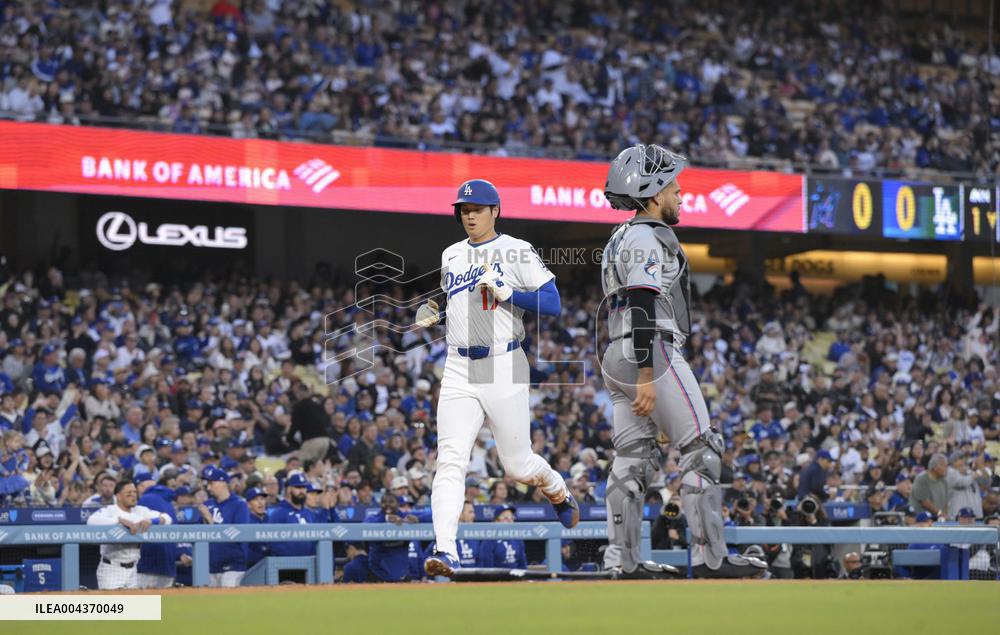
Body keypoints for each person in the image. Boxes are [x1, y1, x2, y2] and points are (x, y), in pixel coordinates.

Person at [599, 144, 764, 580]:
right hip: (648, 352)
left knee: (631, 461)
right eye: (673, 187)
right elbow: (642, 302)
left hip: (616, 354)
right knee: (702, 451)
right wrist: (650, 373)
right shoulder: (645, 235)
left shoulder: (620, 235)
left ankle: (623, 562)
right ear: (653, 194)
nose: (680, 194)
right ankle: (711, 558)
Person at [420, 179, 578, 579]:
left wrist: (511, 294)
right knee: (450, 460)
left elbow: (553, 303)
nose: (469, 215)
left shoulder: (517, 249)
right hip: (458, 366)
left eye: (477, 209)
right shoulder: (452, 254)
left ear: (495, 211)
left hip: (503, 363)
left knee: (518, 467)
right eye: (463, 209)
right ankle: (445, 548)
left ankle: (555, 486)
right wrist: (432, 309)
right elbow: (449, 298)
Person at [86, 480, 173, 589]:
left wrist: (152, 521)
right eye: (128, 494)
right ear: (118, 496)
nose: (133, 496)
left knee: (132, 605)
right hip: (112, 568)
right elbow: (91, 521)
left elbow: (167, 518)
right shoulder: (110, 511)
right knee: (113, 605)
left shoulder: (141, 511)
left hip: (133, 569)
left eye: (134, 492)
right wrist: (119, 520)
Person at [198, 465, 250, 587]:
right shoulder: (207, 505)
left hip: (233, 566)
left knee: (230, 604)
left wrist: (211, 522)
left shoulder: (239, 505)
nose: (208, 487)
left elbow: (239, 534)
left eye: (212, 483)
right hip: (210, 566)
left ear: (223, 483)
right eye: (207, 483)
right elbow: (197, 533)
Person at [136, 473, 179, 588]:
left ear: (140, 487)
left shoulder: (145, 498)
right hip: (168, 565)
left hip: (148, 564)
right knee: (163, 604)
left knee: (145, 605)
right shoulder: (168, 502)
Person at [267, 472, 315, 557]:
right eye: (298, 487)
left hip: (308, 564)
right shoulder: (278, 513)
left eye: (304, 487)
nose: (302, 491)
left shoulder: (308, 513)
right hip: (285, 565)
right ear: (289, 489)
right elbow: (272, 542)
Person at [478, 505, 527, 569]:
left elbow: (522, 565)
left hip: (515, 577)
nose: (510, 521)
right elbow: (487, 568)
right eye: (506, 518)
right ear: (496, 521)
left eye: (511, 518)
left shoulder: (517, 539)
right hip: (497, 577)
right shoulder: (489, 540)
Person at [946, 451, 990, 519]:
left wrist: (981, 467)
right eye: (960, 459)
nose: (963, 462)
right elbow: (962, 482)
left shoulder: (969, 472)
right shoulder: (949, 472)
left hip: (976, 515)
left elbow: (986, 483)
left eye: (963, 460)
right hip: (958, 516)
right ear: (953, 462)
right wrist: (976, 474)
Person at [909, 453, 949, 518]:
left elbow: (946, 502)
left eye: (947, 465)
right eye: (944, 465)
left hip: (939, 519)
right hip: (922, 521)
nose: (946, 468)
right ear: (934, 467)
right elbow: (924, 501)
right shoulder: (921, 479)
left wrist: (946, 516)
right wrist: (940, 513)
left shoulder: (943, 481)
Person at [244, 486, 270, 568]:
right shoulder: (245, 521)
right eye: (256, 499)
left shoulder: (270, 519)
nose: (260, 503)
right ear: (248, 504)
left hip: (272, 564)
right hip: (252, 567)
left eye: (262, 499)